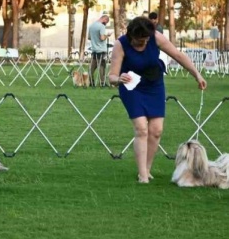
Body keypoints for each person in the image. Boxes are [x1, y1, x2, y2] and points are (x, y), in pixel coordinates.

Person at [108, 16, 207, 184]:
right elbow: (111, 76)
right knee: (141, 128)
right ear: (131, 36)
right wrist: (119, 78)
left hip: (154, 86)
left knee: (156, 130)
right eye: (140, 41)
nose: (144, 44)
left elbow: (178, 55)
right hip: (132, 87)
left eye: (146, 40)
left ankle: (147, 168)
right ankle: (143, 175)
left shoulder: (156, 38)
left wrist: (197, 74)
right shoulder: (120, 44)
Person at [88, 14, 111, 87]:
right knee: (102, 67)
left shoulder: (91, 26)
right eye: (106, 22)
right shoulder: (101, 26)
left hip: (94, 50)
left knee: (92, 67)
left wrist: (95, 39)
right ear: (104, 19)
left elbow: (89, 37)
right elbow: (102, 38)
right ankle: (102, 83)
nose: (105, 23)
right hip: (101, 50)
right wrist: (107, 35)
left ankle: (91, 82)